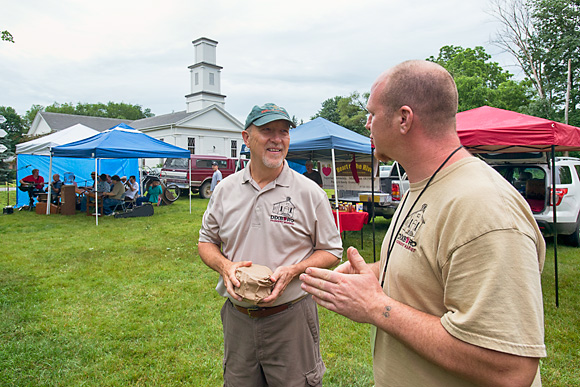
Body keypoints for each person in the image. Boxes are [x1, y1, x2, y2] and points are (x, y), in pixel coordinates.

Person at [300, 61, 546, 387]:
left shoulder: (484, 207)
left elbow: (510, 369)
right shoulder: (423, 185)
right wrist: (369, 275)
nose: (368, 124)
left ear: (404, 119)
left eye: (372, 114)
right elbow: (425, 264)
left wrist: (376, 307)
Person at [198, 103, 343, 387]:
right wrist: (224, 265)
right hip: (238, 318)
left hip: (290, 318)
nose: (277, 138)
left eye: (284, 132)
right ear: (246, 138)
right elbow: (206, 242)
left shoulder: (310, 193)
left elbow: (331, 251)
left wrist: (295, 270)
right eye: (267, 131)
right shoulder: (225, 190)